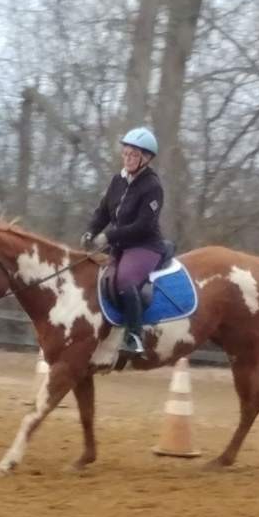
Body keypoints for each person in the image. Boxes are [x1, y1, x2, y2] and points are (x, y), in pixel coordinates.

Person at [81, 127, 164, 354]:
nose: (128, 158)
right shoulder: (118, 180)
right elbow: (103, 212)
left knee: (125, 280)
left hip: (145, 246)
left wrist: (109, 236)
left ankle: (135, 336)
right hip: (121, 246)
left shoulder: (153, 187)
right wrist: (91, 231)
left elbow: (142, 226)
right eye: (125, 153)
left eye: (134, 155)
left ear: (146, 158)